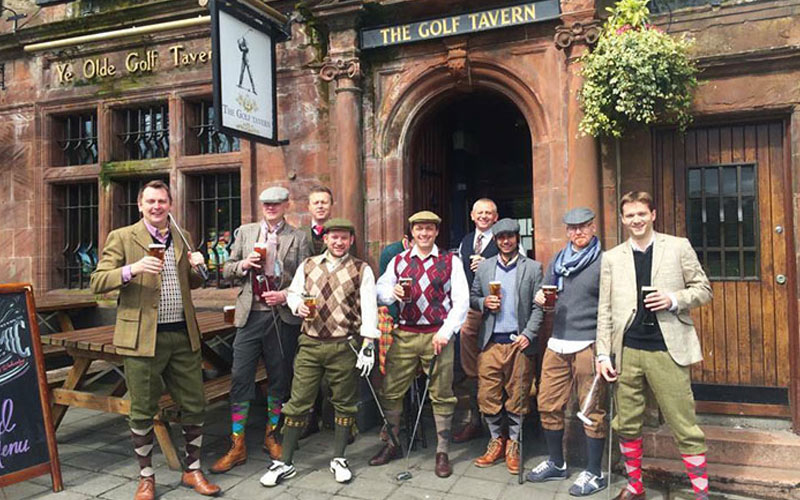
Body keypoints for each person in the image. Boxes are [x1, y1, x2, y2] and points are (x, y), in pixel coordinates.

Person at [90, 180, 220, 500]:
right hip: (141, 338)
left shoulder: (182, 236)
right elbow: (97, 282)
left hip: (182, 333)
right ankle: (146, 477)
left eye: (162, 201)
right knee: (143, 409)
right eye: (150, 201)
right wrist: (132, 269)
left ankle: (192, 470)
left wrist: (201, 267)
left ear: (170, 205)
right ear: (140, 205)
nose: (157, 206)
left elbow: (194, 282)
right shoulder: (122, 237)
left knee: (195, 404)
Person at [596, 191, 712, 500]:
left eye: (641, 214)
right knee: (627, 422)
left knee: (684, 423)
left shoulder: (677, 247)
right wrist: (602, 354)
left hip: (667, 349)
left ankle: (701, 494)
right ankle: (635, 487)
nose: (636, 220)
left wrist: (673, 299)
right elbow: (605, 310)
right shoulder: (611, 257)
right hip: (627, 352)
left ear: (653, 214)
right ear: (623, 219)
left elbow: (703, 289)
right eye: (630, 215)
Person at [259, 218, 379, 486]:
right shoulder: (309, 264)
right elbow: (293, 293)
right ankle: (285, 462)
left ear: (351, 241)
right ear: (325, 239)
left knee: (344, 402)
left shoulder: (362, 270)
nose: (338, 242)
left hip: (344, 345)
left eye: (344, 238)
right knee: (298, 402)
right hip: (310, 344)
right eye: (333, 237)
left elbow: (369, 308)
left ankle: (339, 458)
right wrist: (297, 305)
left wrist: (368, 344)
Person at [211, 186, 310, 472]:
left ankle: (271, 435)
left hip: (281, 317)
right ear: (261, 206)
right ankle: (237, 443)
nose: (271, 207)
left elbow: (307, 279)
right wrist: (243, 264)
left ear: (286, 205)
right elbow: (226, 269)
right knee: (240, 376)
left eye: (276, 203)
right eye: (266, 203)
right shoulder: (245, 232)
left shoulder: (298, 238)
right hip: (250, 314)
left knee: (279, 378)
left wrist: (286, 295)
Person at [371, 210, 469, 478]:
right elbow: (380, 289)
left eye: (429, 229)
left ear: (436, 232)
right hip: (404, 333)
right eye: (419, 229)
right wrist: (391, 292)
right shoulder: (399, 260)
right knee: (390, 390)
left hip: (437, 335)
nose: (424, 233)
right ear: (411, 232)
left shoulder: (451, 261)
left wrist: (447, 331)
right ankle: (392, 443)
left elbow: (462, 301)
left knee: (442, 393)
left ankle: (442, 451)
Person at [526, 207, 607, 496]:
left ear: (593, 228)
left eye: (583, 227)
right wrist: (541, 298)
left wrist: (604, 350)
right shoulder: (558, 261)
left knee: (591, 410)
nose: (577, 233)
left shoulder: (604, 261)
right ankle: (556, 462)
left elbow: (610, 307)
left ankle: (595, 473)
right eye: (572, 228)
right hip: (557, 342)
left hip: (588, 343)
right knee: (547, 403)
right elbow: (549, 298)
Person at [470, 218, 542, 475]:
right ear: (496, 240)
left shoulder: (533, 268)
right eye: (501, 238)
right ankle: (495, 440)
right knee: (487, 394)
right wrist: (483, 303)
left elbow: (539, 306)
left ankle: (514, 443)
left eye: (510, 236)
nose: (506, 241)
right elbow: (473, 296)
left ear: (516, 238)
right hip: (491, 342)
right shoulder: (485, 267)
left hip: (518, 342)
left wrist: (529, 334)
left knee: (519, 395)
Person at [453, 198, 499, 443]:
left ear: (495, 217)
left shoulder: (505, 238)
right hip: (472, 310)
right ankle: (475, 421)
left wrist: (489, 265)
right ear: (472, 215)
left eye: (488, 213)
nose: (483, 216)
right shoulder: (466, 242)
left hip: (497, 312)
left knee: (496, 366)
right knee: (471, 368)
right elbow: (459, 275)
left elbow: (519, 269)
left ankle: (500, 431)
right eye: (479, 212)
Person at [303, 185, 334, 256]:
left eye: (324, 202)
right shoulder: (300, 233)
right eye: (316, 203)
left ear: (331, 205)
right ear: (309, 207)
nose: (320, 206)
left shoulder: (341, 233)